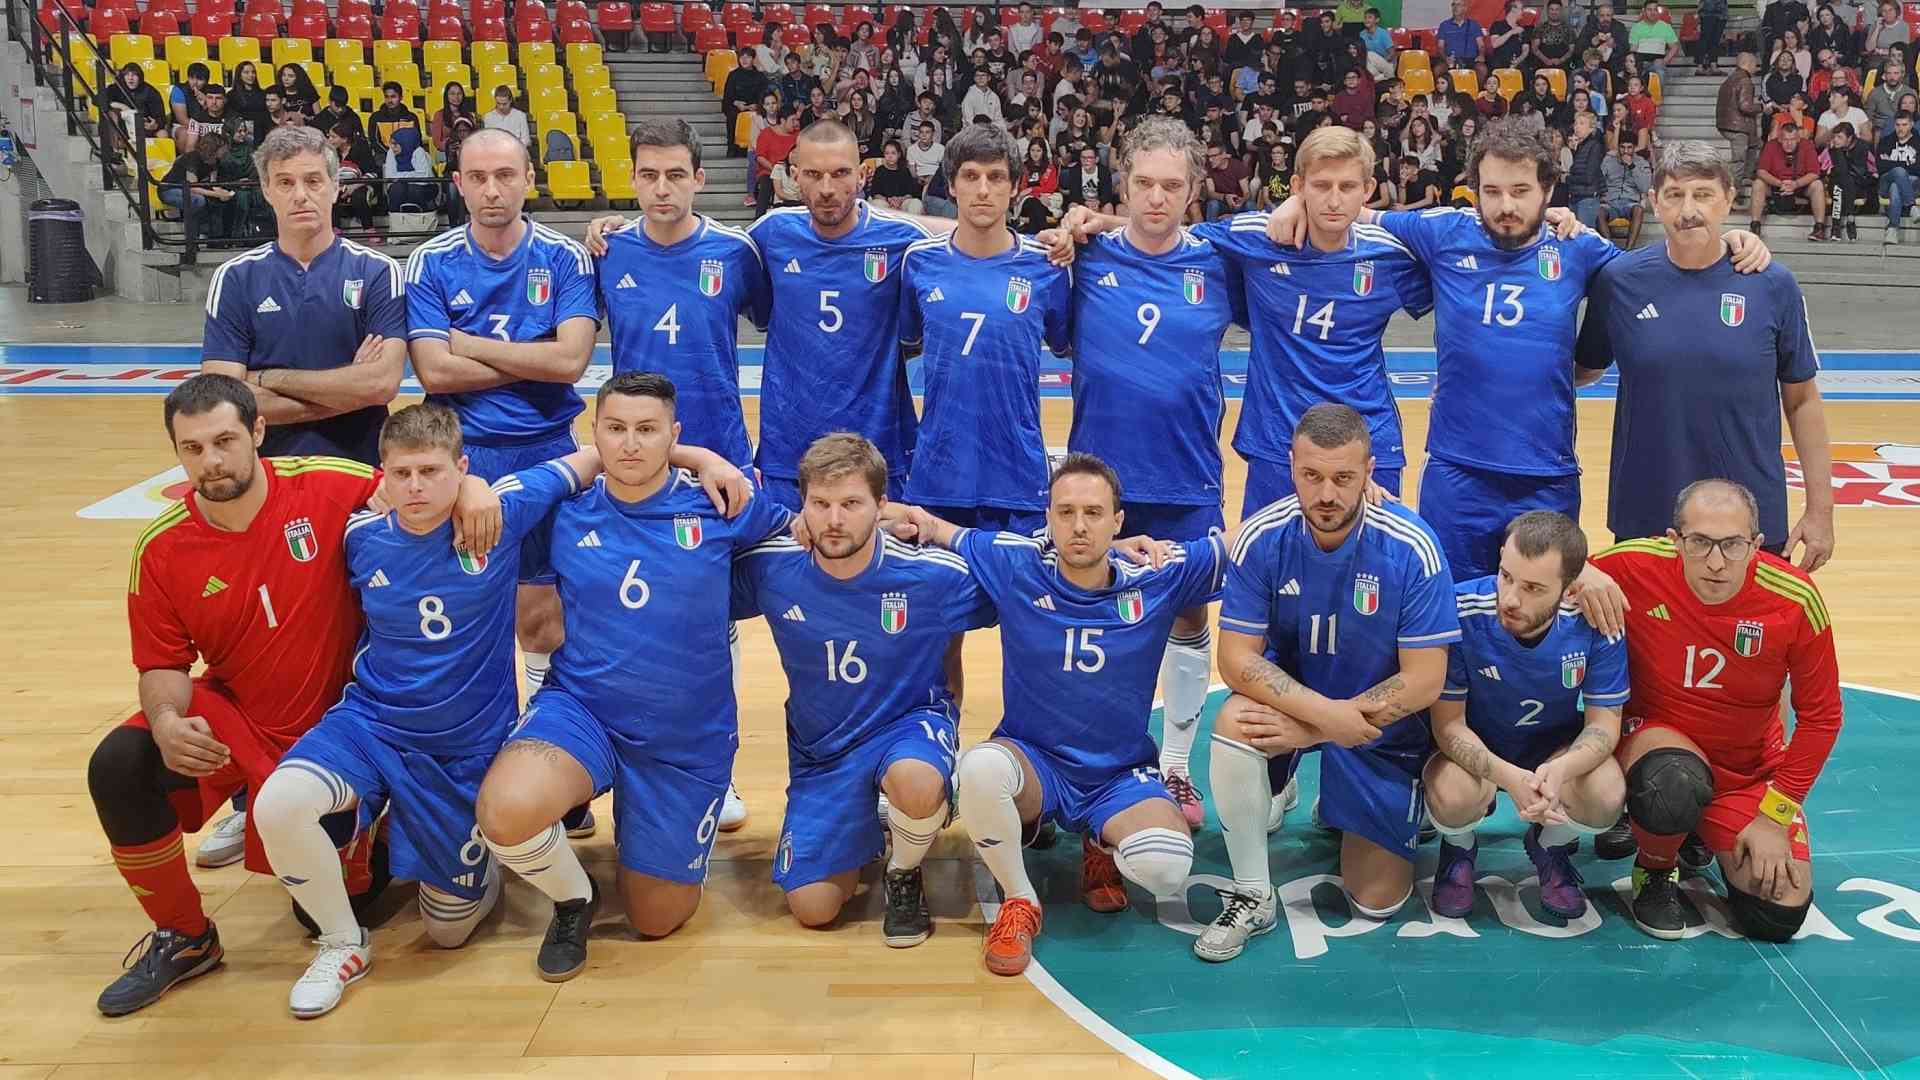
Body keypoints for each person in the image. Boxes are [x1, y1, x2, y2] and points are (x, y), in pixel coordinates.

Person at [87, 374, 499, 1017]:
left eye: (225, 440)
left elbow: (421, 481)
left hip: (352, 723)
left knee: (334, 908)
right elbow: (163, 662)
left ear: (258, 432)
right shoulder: (161, 547)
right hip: (241, 715)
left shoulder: (328, 483)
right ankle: (187, 936)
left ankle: (380, 820)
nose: (211, 461)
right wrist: (166, 719)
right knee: (119, 764)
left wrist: (475, 486)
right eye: (192, 448)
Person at [1264, 119, 1769, 580]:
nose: (1506, 205)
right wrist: (1294, 203)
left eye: (1521, 191)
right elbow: (1352, 211)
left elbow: (1662, 268)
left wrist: (1730, 242)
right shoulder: (1443, 230)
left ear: (1548, 191)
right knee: (1454, 613)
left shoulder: (1577, 246)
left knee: (1541, 614)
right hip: (1456, 472)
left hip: (1546, 475)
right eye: (1492, 191)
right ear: (1475, 191)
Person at [251, 404, 601, 1017]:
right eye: (402, 473)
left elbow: (591, 457)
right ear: (382, 474)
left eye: (432, 472)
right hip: (372, 725)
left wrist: (703, 459)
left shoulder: (500, 513)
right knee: (278, 805)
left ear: (460, 467)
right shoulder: (359, 536)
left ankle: (460, 849)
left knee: (447, 932)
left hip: (461, 749)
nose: (415, 487)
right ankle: (343, 943)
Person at [473, 373, 792, 975]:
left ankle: (645, 827)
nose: (630, 443)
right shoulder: (565, 512)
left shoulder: (720, 503)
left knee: (656, 918)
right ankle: (574, 899)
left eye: (647, 430)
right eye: (615, 429)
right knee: (505, 812)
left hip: (683, 738)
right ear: (593, 434)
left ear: (674, 435)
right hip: (584, 710)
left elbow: (804, 540)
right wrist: (469, 483)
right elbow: (490, 509)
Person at [899, 454, 1216, 975]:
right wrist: (883, 516)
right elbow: (935, 528)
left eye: (1093, 513)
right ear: (1047, 518)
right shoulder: (1016, 564)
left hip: (1117, 774)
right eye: (1065, 512)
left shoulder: (1158, 573)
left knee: (1166, 867)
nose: (1079, 525)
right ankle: (1020, 900)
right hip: (1036, 761)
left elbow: (1244, 548)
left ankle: (1101, 842)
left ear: (1118, 521)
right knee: (978, 770)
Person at [1196, 404, 1459, 962]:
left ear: (1370, 472)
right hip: (1305, 707)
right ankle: (1252, 893)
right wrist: (1323, 717)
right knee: (1234, 720)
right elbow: (1236, 660)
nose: (1326, 494)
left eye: (1343, 478)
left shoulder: (1411, 546)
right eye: (1311, 476)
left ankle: (1351, 798)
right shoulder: (1262, 537)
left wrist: (1320, 730)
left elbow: (1424, 679)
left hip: (1376, 733)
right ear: (1291, 465)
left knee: (1376, 901)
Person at [589, 119, 952, 511]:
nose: (826, 187)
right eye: (813, 174)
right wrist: (610, 225)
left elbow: (963, 240)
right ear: (795, 175)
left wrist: (987, 223)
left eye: (840, 173)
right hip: (786, 454)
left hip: (877, 449)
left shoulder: (902, 239)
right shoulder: (765, 236)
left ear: (861, 175)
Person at [403, 128, 602, 830]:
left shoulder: (564, 256)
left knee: (544, 619)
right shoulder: (429, 261)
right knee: (470, 622)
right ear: (458, 183)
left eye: (506, 175)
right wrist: (528, 356)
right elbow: (434, 372)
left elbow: (571, 362)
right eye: (479, 177)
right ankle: (479, 769)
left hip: (548, 453)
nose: (493, 190)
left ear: (528, 179)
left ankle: (554, 774)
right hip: (462, 461)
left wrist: (472, 345)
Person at [1052, 116, 1247, 827]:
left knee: (1189, 615)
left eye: (1171, 185)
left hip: (1186, 475)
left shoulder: (1220, 262)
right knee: (1094, 621)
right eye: (1143, 184)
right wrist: (1079, 226)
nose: (1157, 198)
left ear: (1194, 190)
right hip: (1099, 486)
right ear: (1122, 184)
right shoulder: (1084, 258)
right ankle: (1089, 764)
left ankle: (1175, 765)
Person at [730, 434, 995, 943]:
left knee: (916, 784)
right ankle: (867, 821)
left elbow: (1030, 580)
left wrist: (1110, 550)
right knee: (813, 908)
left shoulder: (929, 572)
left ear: (881, 506)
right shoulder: (772, 567)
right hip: (823, 752)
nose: (834, 520)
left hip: (907, 726)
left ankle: (904, 869)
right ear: (801, 505)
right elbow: (693, 573)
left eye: (851, 504)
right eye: (820, 504)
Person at [1588, 480, 1843, 941]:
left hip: (1746, 770)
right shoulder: (1633, 564)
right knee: (1675, 782)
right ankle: (1655, 868)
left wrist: (1774, 817)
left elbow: (1822, 717)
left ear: (1757, 545)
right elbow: (1552, 572)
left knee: (1778, 911)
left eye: (1732, 545)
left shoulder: (1795, 598)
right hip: (1657, 743)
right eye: (1700, 542)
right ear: (1674, 540)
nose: (1716, 561)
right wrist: (1580, 574)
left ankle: (1695, 829)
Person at [1576, 140, 1835, 571]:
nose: (1688, 210)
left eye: (1703, 194)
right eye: (1675, 195)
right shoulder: (1618, 282)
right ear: (1654, 201)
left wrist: (1821, 511)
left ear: (1729, 199)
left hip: (1750, 521)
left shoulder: (1773, 284)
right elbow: (1580, 370)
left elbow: (1802, 400)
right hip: (1647, 515)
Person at [1425, 511, 1629, 921]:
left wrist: (1561, 769)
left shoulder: (1596, 622)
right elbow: (1448, 727)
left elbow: (1604, 726)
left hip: (1553, 750)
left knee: (1607, 795)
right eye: (1506, 576)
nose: (1511, 598)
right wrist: (1508, 777)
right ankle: (1459, 848)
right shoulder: (1460, 610)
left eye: (1534, 588)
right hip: (1475, 749)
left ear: (1570, 587)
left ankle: (1550, 844)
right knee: (1453, 795)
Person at [898, 123, 1070, 536]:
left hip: (1018, 476)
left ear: (1015, 187)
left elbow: (1067, 347)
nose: (983, 190)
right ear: (951, 186)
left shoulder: (1047, 266)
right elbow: (906, 343)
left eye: (996, 177)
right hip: (938, 475)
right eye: (970, 176)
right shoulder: (918, 262)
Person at [200, 125, 404, 464]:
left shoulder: (378, 271)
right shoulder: (235, 278)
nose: (300, 195)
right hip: (267, 474)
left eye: (313, 181)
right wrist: (349, 392)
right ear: (266, 190)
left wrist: (265, 378)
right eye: (285, 182)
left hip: (359, 472)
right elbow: (224, 401)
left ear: (335, 187)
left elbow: (381, 385)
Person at [159, 131, 238, 248]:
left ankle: (216, 239)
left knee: (219, 201)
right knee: (197, 200)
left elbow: (213, 183)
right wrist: (216, 194)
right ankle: (192, 242)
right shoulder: (192, 158)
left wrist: (222, 192)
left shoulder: (215, 161)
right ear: (214, 148)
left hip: (191, 190)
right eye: (223, 148)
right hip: (170, 189)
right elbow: (192, 187)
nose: (226, 151)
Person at [1750, 122, 1829, 236]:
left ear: (1798, 139)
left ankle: (1819, 228)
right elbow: (1761, 171)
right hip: (1775, 184)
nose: (1789, 143)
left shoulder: (1807, 145)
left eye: (1792, 140)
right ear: (1780, 139)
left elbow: (1815, 173)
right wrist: (1779, 183)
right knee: (1758, 184)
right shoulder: (1771, 145)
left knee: (1817, 185)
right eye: (1785, 140)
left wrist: (1796, 184)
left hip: (1801, 185)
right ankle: (1755, 226)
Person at [1822, 121, 1876, 240]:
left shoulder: (1862, 147)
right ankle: (1850, 220)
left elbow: (1860, 173)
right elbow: (1829, 169)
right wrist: (1836, 152)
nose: (1835, 140)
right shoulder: (1832, 148)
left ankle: (1835, 227)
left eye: (1839, 137)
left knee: (1843, 184)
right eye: (1834, 137)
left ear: (1850, 138)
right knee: (1840, 183)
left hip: (1858, 184)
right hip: (1839, 183)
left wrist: (1837, 156)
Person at [1718, 53, 1764, 193]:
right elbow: (1745, 106)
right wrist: (1761, 107)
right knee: (1738, 161)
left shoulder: (1730, 79)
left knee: (1753, 145)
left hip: (1728, 123)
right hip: (1738, 126)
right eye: (1755, 64)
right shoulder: (1745, 80)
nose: (1756, 68)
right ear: (1748, 64)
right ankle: (1732, 194)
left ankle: (1746, 177)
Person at [325, 121, 381, 234]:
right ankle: (335, 228)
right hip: (337, 185)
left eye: (333, 137)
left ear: (344, 139)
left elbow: (373, 173)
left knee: (359, 196)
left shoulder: (361, 150)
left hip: (361, 184)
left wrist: (353, 186)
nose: (329, 140)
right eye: (329, 136)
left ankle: (369, 228)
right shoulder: (330, 152)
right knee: (329, 194)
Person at [1598, 136, 1651, 246]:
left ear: (1634, 148)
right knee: (1599, 211)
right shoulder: (1609, 160)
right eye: (1622, 147)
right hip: (1610, 202)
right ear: (1618, 147)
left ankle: (1629, 249)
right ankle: (1610, 248)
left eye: (1629, 147)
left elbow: (1645, 187)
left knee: (1638, 210)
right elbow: (1599, 179)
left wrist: (1632, 166)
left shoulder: (1642, 163)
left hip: (1630, 202)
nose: (1626, 151)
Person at [1878, 113, 1917, 244]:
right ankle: (1911, 206)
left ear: (1911, 125)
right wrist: (1907, 165)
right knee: (1899, 172)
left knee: (1896, 185)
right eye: (1898, 125)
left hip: (1913, 182)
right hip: (1886, 181)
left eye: (1904, 125)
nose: (1900, 128)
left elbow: (1918, 169)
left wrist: (1891, 163)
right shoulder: (1885, 141)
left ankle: (1892, 229)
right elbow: (1881, 167)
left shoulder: (1918, 142)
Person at [723, 49, 770, 157]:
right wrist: (736, 103)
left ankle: (761, 147)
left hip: (755, 105)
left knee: (764, 112)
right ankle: (732, 146)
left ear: (753, 59)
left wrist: (757, 105)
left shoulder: (760, 76)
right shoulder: (733, 75)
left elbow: (765, 95)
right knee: (732, 114)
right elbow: (727, 96)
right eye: (741, 57)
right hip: (737, 106)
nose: (744, 60)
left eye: (747, 57)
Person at [1628, 0, 1680, 87]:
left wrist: (1664, 61)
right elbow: (1633, 49)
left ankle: (1658, 96)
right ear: (1644, 11)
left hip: (1657, 63)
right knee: (1633, 74)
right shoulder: (1636, 27)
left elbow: (1674, 47)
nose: (1652, 12)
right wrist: (1633, 65)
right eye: (1649, 10)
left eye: (1655, 9)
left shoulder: (1665, 27)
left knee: (1660, 71)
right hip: (1640, 62)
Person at [870, 138, 926, 213]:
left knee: (916, 203)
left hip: (902, 203)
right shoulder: (879, 170)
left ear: (899, 154)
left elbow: (910, 193)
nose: (890, 156)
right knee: (876, 203)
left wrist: (900, 200)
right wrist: (889, 200)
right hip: (885, 202)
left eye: (893, 153)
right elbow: (875, 193)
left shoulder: (905, 171)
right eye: (887, 153)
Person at [1437, 0, 1487, 71]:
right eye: (1453, 4)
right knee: (1438, 69)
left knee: (1482, 69)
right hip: (1451, 60)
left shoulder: (1474, 25)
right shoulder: (1444, 25)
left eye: (1458, 4)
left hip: (1471, 60)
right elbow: (1440, 47)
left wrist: (1481, 55)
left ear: (1465, 8)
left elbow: (1481, 45)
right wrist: (1446, 58)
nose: (1455, 7)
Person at [483, 85, 532, 153]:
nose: (501, 107)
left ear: (510, 100)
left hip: (516, 152)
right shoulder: (488, 117)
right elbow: (488, 140)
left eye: (504, 104)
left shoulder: (520, 116)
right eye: (498, 103)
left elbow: (526, 140)